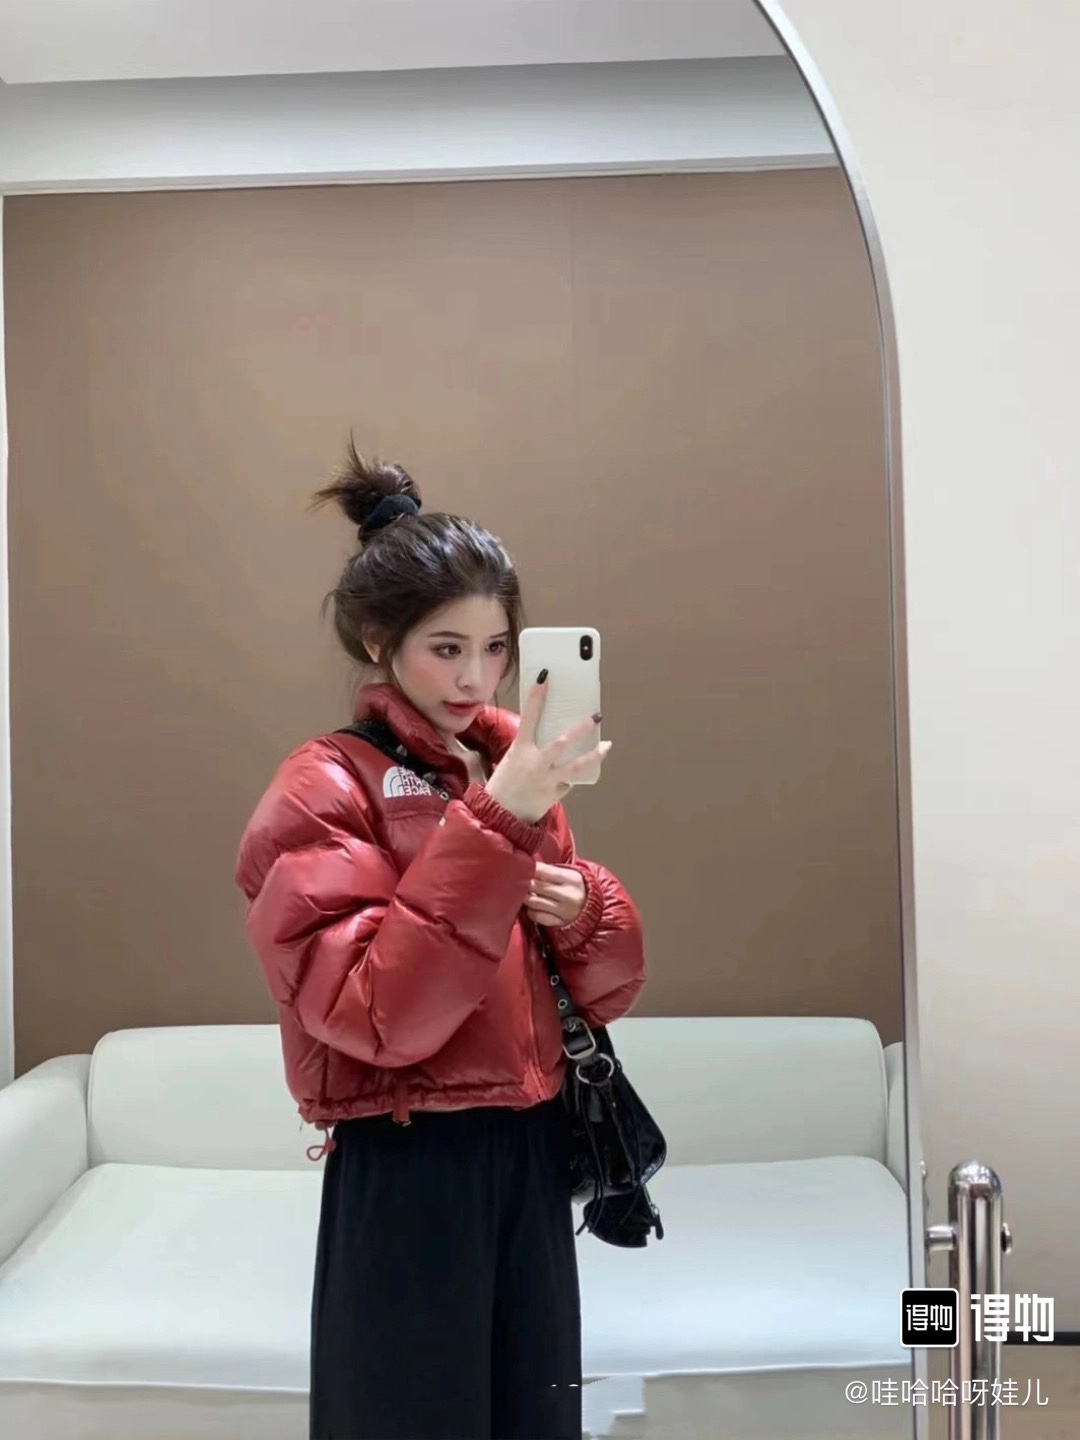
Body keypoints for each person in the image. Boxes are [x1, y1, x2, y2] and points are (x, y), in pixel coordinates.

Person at [235, 442, 647, 1440]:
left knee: (534, 1417)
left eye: (496, 647)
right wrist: (499, 822)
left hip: (532, 1145)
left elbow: (601, 994)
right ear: (381, 642)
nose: (477, 677)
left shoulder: (508, 771)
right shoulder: (323, 785)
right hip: (408, 1158)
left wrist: (584, 911)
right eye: (446, 648)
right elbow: (374, 1016)